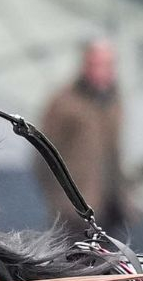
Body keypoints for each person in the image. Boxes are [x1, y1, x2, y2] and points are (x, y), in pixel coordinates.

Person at [38, 38, 129, 240]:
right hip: (75, 211)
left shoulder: (114, 101)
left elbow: (114, 153)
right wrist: (62, 200)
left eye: (107, 64)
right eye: (96, 64)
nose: (101, 70)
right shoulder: (64, 102)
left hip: (111, 208)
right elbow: (42, 154)